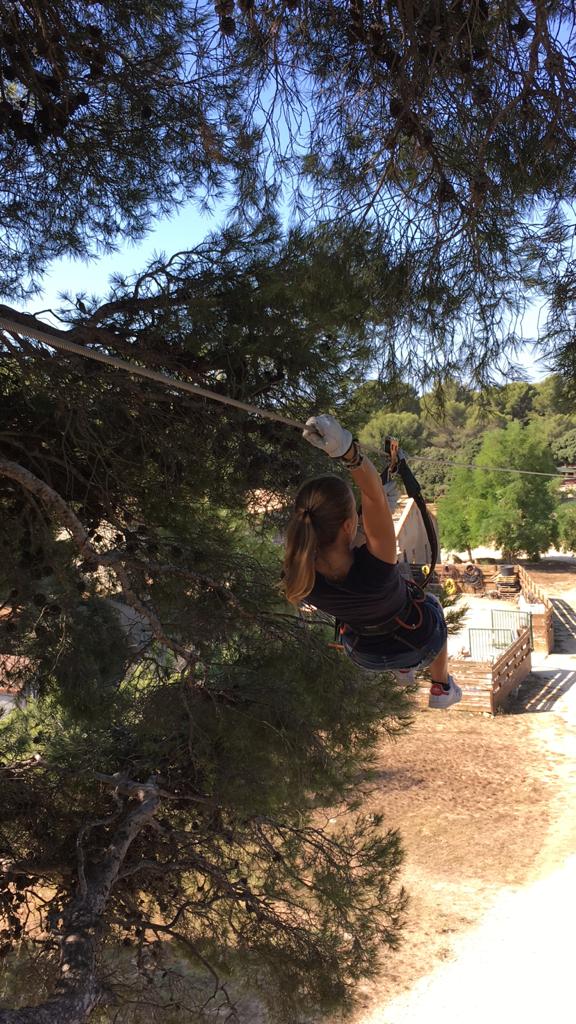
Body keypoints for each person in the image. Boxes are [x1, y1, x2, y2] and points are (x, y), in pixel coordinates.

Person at [282, 414, 462, 709]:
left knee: (396, 621)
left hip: (366, 654)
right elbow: (373, 497)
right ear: (347, 526)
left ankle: (405, 671)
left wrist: (379, 486)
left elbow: (372, 506)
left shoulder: (299, 574)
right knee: (432, 604)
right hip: (416, 638)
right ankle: (441, 687)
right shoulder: (377, 562)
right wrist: (347, 451)